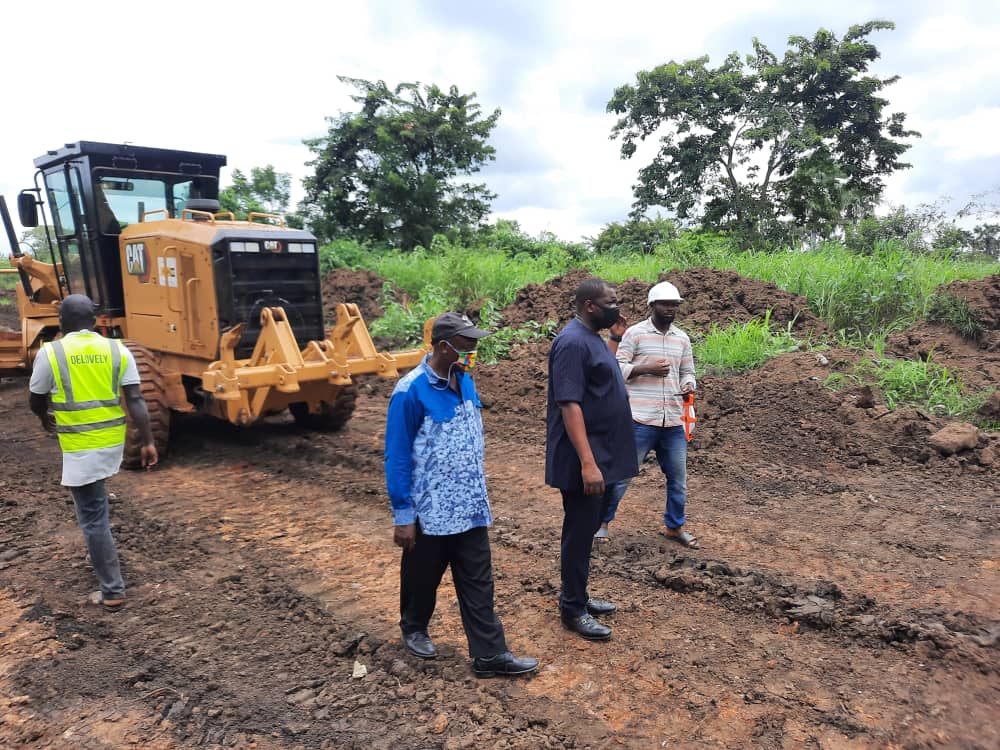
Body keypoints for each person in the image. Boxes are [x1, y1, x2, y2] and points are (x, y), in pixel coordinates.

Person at [384, 312, 538, 678]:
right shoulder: (410, 391)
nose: (473, 350)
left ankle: (490, 654)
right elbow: (397, 455)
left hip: (469, 505)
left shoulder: (464, 380)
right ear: (443, 347)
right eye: (467, 345)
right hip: (430, 510)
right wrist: (403, 515)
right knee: (422, 578)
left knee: (479, 582)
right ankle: (414, 627)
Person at [28, 294, 158, 612]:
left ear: (61, 321)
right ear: (94, 321)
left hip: (80, 447)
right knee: (97, 503)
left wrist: (44, 416)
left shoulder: (51, 353)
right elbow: (136, 400)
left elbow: (35, 397)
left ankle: (112, 591)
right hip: (111, 444)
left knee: (92, 518)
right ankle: (97, 552)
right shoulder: (117, 348)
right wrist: (149, 440)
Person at [545, 278, 638, 641]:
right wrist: (587, 462)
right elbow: (569, 404)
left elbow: (603, 377)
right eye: (611, 302)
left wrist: (614, 338)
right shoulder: (570, 342)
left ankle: (579, 596)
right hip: (584, 459)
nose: (618, 306)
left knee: (586, 533)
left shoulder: (592, 338)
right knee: (579, 533)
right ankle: (572, 609)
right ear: (590, 305)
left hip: (603, 453)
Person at [598, 281, 699, 548]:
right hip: (640, 419)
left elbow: (688, 371)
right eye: (665, 304)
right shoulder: (634, 335)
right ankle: (602, 523)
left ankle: (674, 527)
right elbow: (614, 369)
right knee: (621, 476)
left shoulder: (682, 338)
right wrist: (645, 368)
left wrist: (689, 384)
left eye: (675, 304)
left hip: (674, 420)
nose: (671, 309)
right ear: (651, 305)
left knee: (678, 481)